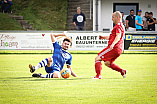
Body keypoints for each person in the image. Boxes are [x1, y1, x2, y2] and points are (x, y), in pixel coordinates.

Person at [93, 11, 127, 79]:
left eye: (113, 17)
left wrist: (113, 44)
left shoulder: (118, 26)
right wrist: (103, 37)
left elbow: (118, 36)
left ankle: (98, 76)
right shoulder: (121, 26)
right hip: (119, 49)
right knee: (107, 63)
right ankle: (122, 71)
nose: (112, 19)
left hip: (114, 48)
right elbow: (113, 36)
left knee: (97, 58)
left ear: (117, 17)